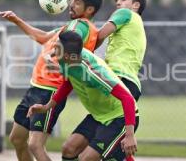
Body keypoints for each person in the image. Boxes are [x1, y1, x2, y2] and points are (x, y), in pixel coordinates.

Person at [0, 0, 103, 161]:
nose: (71, 4)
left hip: (50, 90)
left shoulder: (80, 26)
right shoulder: (69, 26)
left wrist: (57, 59)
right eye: (72, 0)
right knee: (17, 139)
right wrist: (17, 20)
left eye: (77, 2)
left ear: (90, 9)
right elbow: (43, 38)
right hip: (36, 88)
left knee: (35, 145)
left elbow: (75, 41)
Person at [29, 31, 139, 161]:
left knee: (87, 158)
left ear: (69, 55)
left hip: (119, 117)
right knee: (68, 149)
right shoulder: (67, 60)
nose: (54, 49)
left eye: (57, 47)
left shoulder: (94, 72)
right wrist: (46, 107)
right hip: (98, 116)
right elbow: (68, 83)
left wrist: (129, 135)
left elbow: (128, 98)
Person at [96, 0, 147, 102]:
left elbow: (100, 35)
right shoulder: (137, 23)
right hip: (132, 84)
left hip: (118, 79)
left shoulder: (125, 13)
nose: (118, 3)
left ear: (135, 5)